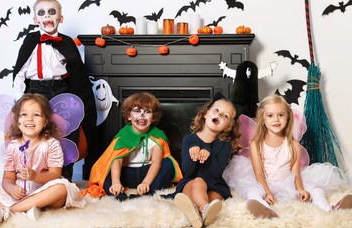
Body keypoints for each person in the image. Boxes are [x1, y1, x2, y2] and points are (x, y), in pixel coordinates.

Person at [223, 94, 352, 219]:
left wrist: (301, 189)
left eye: (281, 115)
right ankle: (264, 210)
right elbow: (258, 174)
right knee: (252, 192)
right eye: (270, 115)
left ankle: (329, 210)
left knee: (316, 189)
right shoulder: (256, 144)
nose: (276, 120)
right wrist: (268, 192)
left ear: (288, 117)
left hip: (287, 182)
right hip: (264, 183)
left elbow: (295, 173)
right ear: (263, 119)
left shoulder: (293, 145)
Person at [12, 0, 97, 181]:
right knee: (35, 129)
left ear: (60, 18)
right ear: (35, 20)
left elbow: (77, 74)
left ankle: (64, 176)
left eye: (52, 12)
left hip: (61, 89)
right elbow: (19, 73)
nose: (47, 16)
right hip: (35, 91)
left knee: (67, 128)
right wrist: (20, 101)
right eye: (41, 13)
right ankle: (33, 173)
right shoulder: (30, 42)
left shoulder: (66, 43)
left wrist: (78, 100)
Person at [0, 93, 86, 226]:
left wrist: (36, 176)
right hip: (19, 194)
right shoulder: (12, 146)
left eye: (36, 115)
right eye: (24, 114)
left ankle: (10, 211)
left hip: (44, 191)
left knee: (62, 187)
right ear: (17, 121)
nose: (30, 119)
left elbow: (55, 176)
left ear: (45, 121)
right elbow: (7, 179)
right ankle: (24, 209)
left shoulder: (51, 144)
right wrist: (11, 189)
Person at [80, 92, 183, 201]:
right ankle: (119, 195)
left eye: (147, 112)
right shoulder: (123, 136)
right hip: (126, 174)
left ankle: (149, 192)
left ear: (153, 118)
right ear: (129, 116)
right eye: (137, 111)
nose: (142, 115)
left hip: (147, 173)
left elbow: (156, 163)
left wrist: (146, 183)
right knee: (106, 173)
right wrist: (116, 182)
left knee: (168, 163)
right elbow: (116, 160)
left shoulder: (158, 136)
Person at [163, 96, 241, 228]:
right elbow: (188, 171)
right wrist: (192, 153)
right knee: (198, 182)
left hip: (214, 184)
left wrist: (209, 155)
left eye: (225, 116)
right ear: (206, 113)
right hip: (192, 183)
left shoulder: (224, 144)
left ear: (227, 127)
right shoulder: (189, 140)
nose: (220, 114)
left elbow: (216, 173)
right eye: (217, 110)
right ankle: (204, 208)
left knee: (215, 200)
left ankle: (197, 213)